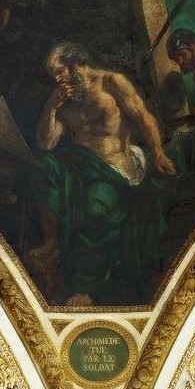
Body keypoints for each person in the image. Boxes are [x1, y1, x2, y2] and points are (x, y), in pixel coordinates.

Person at [30, 41, 177, 306]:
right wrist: (51, 106)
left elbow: (144, 117)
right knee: (45, 167)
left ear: (76, 64)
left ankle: (86, 286)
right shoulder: (64, 100)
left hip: (114, 167)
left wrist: (158, 152)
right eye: (53, 75)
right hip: (81, 168)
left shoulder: (112, 83)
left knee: (96, 207)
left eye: (60, 71)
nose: (57, 80)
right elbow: (46, 143)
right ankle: (51, 244)